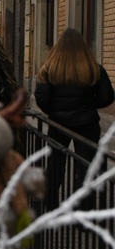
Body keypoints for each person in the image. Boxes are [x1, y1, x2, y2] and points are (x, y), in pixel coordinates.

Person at [34, 28, 114, 207]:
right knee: (86, 167)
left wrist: (54, 111)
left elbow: (41, 98)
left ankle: (51, 204)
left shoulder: (50, 69)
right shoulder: (94, 68)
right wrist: (89, 106)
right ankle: (83, 211)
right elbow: (107, 96)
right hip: (87, 123)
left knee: (55, 164)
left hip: (58, 123)